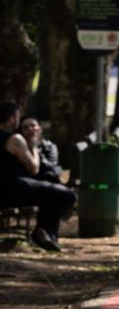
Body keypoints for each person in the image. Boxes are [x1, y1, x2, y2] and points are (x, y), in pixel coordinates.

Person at [0, 102, 77, 252]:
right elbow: (34, 168)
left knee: (49, 194)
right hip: (14, 189)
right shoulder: (15, 139)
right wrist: (34, 146)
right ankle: (42, 231)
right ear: (11, 119)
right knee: (68, 196)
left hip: (7, 190)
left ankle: (46, 233)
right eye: (17, 116)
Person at [19, 116, 62, 183]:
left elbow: (52, 168)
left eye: (33, 125)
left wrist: (37, 152)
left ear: (40, 129)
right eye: (25, 127)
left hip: (48, 182)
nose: (29, 129)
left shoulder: (49, 146)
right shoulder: (18, 148)